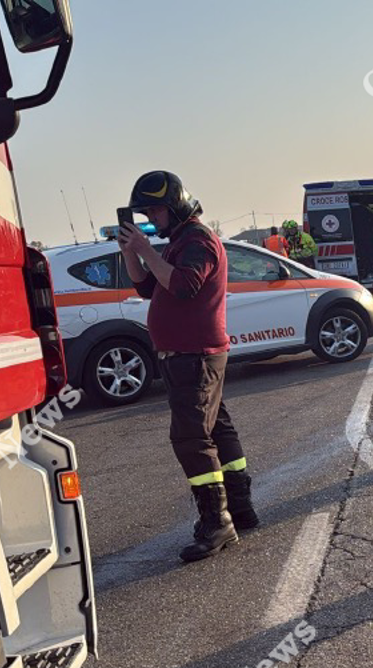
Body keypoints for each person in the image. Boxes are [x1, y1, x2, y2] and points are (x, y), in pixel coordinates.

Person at [117, 171, 258, 562]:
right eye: (145, 212)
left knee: (191, 438)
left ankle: (217, 523)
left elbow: (182, 286)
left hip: (194, 354)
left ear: (176, 205)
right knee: (217, 427)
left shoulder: (197, 240)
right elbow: (148, 287)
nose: (151, 218)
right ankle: (240, 508)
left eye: (156, 210)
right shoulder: (179, 241)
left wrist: (146, 249)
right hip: (189, 354)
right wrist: (132, 251)